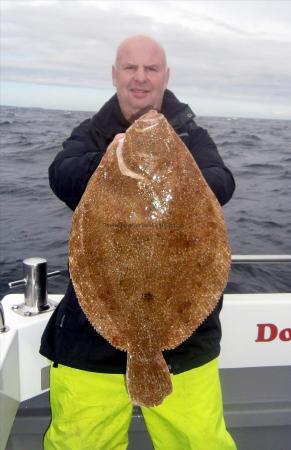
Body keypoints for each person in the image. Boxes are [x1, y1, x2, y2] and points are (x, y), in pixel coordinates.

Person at [40, 35, 236, 450]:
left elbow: (222, 181)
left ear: (165, 76)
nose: (140, 78)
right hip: (90, 336)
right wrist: (110, 163)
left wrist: (174, 171)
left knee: (199, 442)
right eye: (130, 68)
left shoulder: (191, 136)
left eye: (151, 68)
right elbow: (62, 174)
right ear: (115, 75)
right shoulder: (92, 133)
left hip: (185, 341)